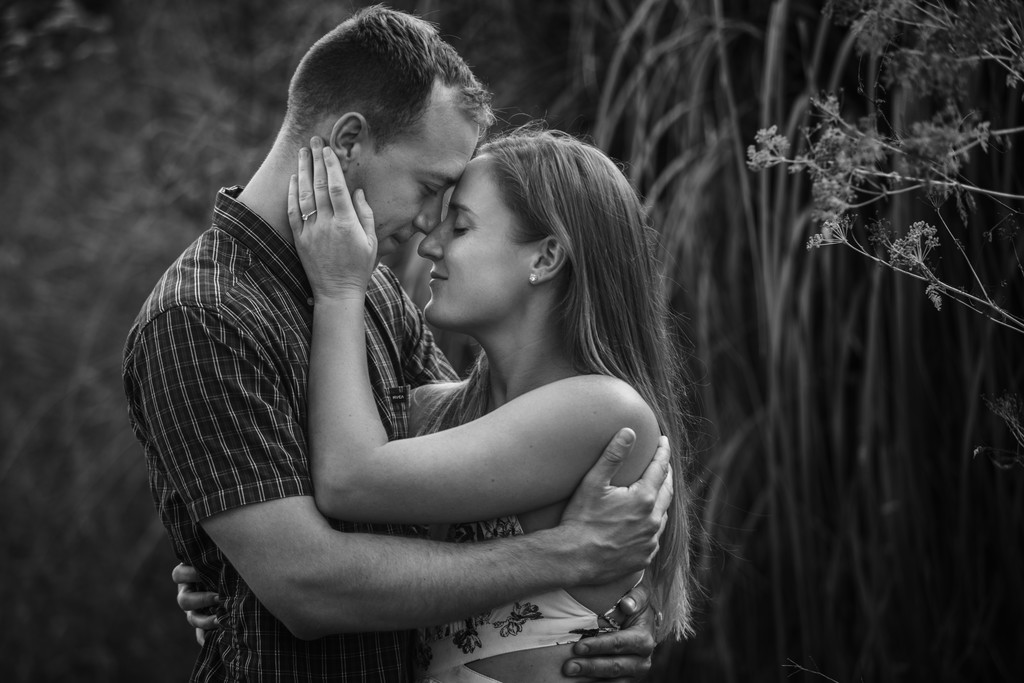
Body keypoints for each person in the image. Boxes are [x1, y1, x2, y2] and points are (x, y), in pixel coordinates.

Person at [123, 6, 672, 682]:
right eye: (431, 187)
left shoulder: (375, 295)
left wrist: (608, 603)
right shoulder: (203, 315)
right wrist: (572, 556)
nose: (429, 226)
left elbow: (472, 489)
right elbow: (307, 586)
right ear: (349, 140)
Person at [282, 125, 698, 682]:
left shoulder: (603, 413)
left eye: (461, 226)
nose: (430, 243)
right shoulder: (435, 414)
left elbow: (348, 479)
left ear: (547, 257)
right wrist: (232, 568)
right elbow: (302, 514)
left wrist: (338, 290)